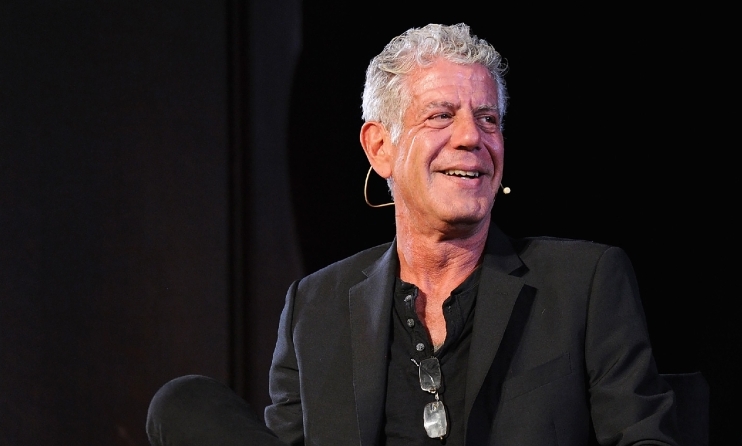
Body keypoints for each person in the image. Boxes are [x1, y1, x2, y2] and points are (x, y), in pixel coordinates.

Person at [146, 23, 681, 445]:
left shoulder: (584, 284)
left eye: (488, 119)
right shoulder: (317, 305)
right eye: (441, 115)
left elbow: (646, 439)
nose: (472, 137)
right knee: (183, 403)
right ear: (380, 148)